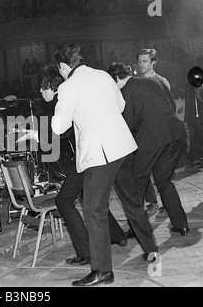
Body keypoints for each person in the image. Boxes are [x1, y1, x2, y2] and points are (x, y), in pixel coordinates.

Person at [51, 43, 156, 286]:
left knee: (93, 210)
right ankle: (151, 250)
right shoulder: (102, 76)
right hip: (123, 147)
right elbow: (120, 107)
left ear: (64, 66)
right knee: (132, 203)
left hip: (101, 154)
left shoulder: (68, 86)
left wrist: (61, 100)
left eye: (60, 70)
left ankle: (102, 271)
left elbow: (58, 127)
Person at [36, 66, 128, 266]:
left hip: (89, 157)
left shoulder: (66, 96)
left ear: (52, 86)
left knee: (64, 201)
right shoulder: (71, 93)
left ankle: (87, 252)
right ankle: (117, 235)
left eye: (43, 88)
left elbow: (62, 131)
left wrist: (39, 133)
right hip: (90, 156)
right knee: (90, 197)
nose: (41, 93)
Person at [107, 62, 189, 235]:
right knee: (164, 182)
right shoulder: (155, 81)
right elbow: (172, 106)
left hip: (150, 140)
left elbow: (127, 125)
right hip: (174, 134)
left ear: (116, 78)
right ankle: (181, 224)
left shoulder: (125, 92)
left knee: (136, 184)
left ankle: (137, 230)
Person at [137, 48, 174, 216]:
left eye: (145, 61)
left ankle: (167, 204)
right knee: (140, 171)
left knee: (161, 173)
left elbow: (169, 108)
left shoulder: (161, 81)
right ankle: (151, 201)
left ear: (153, 62)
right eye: (140, 61)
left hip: (159, 134)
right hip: (141, 133)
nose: (141, 64)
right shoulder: (135, 82)